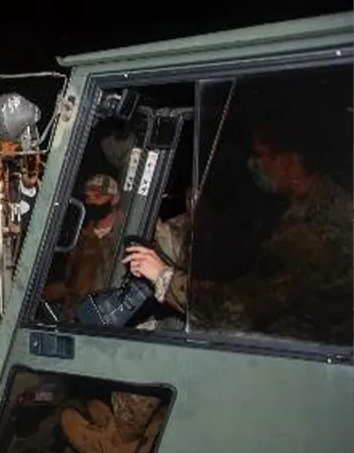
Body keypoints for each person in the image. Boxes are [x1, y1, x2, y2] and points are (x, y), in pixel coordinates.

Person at [123, 119, 353, 344]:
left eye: (261, 155)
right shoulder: (331, 204)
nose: (254, 164)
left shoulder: (308, 236)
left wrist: (163, 276)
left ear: (289, 162)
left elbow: (237, 312)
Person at [43, 174, 123, 319]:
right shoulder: (80, 237)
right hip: (76, 314)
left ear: (114, 199)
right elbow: (71, 279)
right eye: (88, 197)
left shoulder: (124, 235)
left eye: (97, 196)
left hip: (106, 313)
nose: (91, 201)